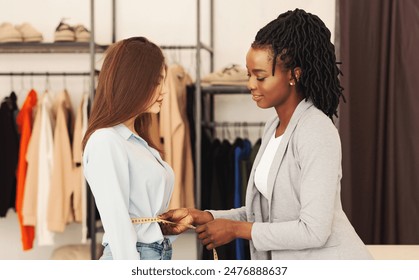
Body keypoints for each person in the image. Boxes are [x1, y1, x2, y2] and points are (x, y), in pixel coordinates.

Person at [160, 9, 373, 260]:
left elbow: (314, 230)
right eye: (249, 75)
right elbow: (261, 214)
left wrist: (237, 230)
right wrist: (204, 216)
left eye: (260, 76)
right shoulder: (273, 127)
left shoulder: (316, 130)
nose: (251, 84)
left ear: (295, 74)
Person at [82, 37, 174, 260]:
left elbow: (142, 218)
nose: (163, 91)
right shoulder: (106, 141)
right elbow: (117, 224)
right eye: (155, 82)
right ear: (131, 82)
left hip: (154, 253)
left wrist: (168, 228)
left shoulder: (138, 143)